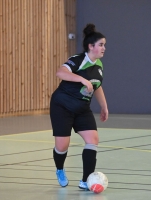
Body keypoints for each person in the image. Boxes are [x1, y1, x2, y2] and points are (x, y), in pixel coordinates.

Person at [50, 23, 108, 190]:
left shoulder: (99, 65)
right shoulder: (78, 60)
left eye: (104, 45)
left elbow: (97, 86)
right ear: (91, 46)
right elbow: (60, 73)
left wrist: (104, 106)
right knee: (62, 146)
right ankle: (60, 169)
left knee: (93, 140)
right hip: (62, 105)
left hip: (82, 108)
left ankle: (85, 181)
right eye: (101, 45)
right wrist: (82, 79)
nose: (104, 48)